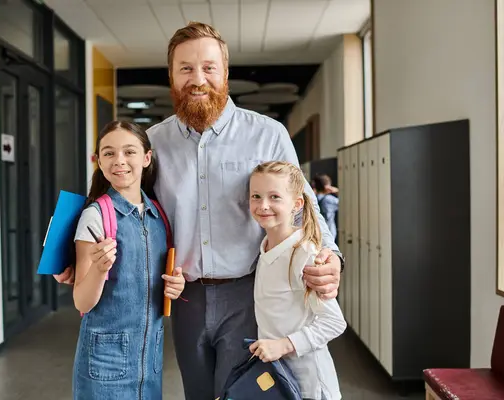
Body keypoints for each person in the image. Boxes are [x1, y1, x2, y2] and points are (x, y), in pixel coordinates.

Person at [56, 22, 344, 399]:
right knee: (197, 392)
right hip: (183, 297)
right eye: (186, 68)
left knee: (242, 392)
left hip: (248, 293)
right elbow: (122, 201)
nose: (197, 79)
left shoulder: (267, 134)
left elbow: (303, 206)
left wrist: (331, 257)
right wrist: (75, 256)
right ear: (172, 77)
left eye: (208, 67)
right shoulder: (154, 142)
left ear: (225, 73)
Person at [71, 121, 185, 400]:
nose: (119, 161)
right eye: (108, 153)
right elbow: (82, 302)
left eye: (129, 152)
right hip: (104, 365)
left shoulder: (158, 215)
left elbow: (162, 279)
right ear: (98, 161)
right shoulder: (96, 216)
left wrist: (176, 285)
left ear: (146, 158)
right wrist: (99, 270)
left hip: (149, 363)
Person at [248, 161, 346, 400]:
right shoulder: (266, 248)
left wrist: (283, 345)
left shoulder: (305, 254)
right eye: (256, 196)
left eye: (274, 197)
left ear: (297, 204)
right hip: (281, 379)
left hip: (311, 386)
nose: (263, 205)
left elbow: (334, 322)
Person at [312, 174, 339, 241]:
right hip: (328, 234)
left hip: (315, 232)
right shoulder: (329, 200)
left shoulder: (313, 198)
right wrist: (337, 191)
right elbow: (348, 204)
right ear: (327, 187)